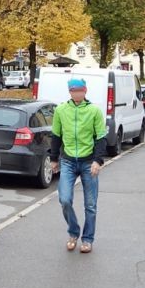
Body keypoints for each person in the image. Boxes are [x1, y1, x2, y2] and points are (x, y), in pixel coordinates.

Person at [50, 77, 107, 254]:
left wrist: (98, 161)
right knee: (64, 199)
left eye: (80, 90)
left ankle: (87, 239)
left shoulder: (94, 111)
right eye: (74, 90)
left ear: (85, 91)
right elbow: (56, 136)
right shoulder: (61, 110)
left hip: (88, 161)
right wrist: (53, 159)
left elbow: (101, 137)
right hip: (67, 161)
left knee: (90, 205)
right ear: (69, 92)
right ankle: (73, 232)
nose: (77, 93)